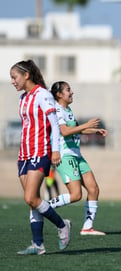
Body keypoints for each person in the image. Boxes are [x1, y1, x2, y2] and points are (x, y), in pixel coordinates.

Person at [10, 60, 71, 255]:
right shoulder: (23, 98)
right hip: (24, 154)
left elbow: (54, 125)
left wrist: (55, 150)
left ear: (26, 75)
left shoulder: (43, 95)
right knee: (31, 201)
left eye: (14, 77)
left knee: (31, 197)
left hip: (40, 151)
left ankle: (62, 225)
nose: (12, 81)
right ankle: (38, 245)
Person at [47, 81, 107, 236]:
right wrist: (86, 125)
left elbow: (77, 130)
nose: (72, 92)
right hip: (65, 155)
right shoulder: (57, 110)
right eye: (68, 90)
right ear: (59, 94)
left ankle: (87, 227)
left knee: (93, 189)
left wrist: (95, 130)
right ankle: (43, 207)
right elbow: (65, 131)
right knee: (76, 195)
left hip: (76, 155)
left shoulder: (68, 109)